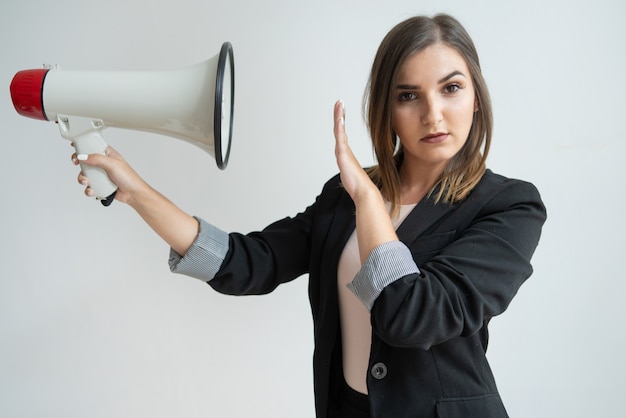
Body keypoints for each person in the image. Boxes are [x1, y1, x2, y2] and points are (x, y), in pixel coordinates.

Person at [72, 13, 546, 418]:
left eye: (451, 88)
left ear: (476, 97)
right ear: (387, 108)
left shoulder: (509, 206)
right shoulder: (343, 195)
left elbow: (412, 316)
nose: (433, 114)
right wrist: (136, 192)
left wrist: (368, 202)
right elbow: (248, 262)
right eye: (408, 95)